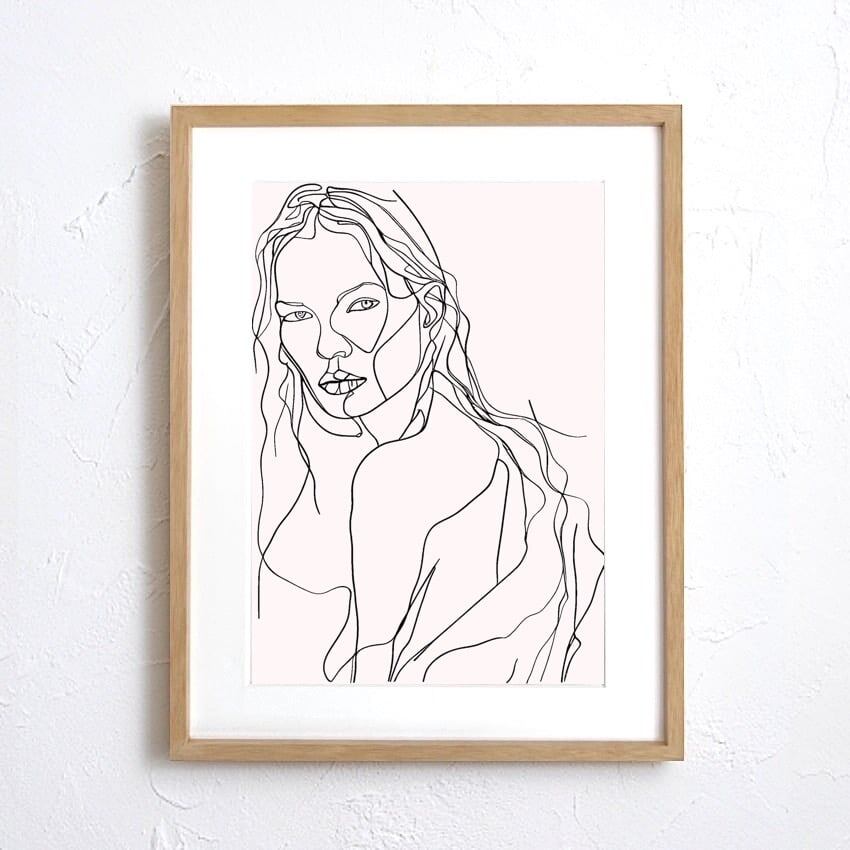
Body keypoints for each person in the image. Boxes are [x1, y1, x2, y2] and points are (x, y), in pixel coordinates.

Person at [252, 184, 603, 684]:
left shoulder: (395, 476)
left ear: (430, 310)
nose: (328, 345)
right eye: (298, 316)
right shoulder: (319, 460)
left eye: (360, 305)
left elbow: (368, 704)